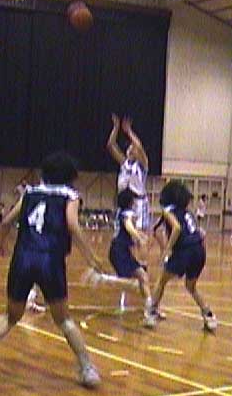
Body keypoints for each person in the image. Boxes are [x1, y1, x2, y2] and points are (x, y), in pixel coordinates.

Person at [0, 152, 103, 388]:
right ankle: (87, 367)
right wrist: (91, 257)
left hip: (22, 257)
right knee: (63, 319)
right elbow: (72, 224)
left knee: (11, 315)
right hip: (50, 259)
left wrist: (0, 244)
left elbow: (6, 221)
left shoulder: (30, 193)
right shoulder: (70, 196)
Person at [83, 189, 161, 328]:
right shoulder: (127, 213)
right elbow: (129, 227)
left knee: (142, 278)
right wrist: (139, 238)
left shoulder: (120, 212)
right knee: (137, 280)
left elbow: (128, 229)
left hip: (120, 250)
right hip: (120, 251)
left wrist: (140, 235)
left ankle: (150, 310)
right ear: (130, 202)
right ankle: (102, 278)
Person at [147, 180, 216, 331]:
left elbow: (177, 228)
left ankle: (151, 313)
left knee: (161, 281)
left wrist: (167, 250)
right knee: (191, 286)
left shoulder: (168, 211)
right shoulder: (187, 213)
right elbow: (198, 233)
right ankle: (208, 314)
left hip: (185, 250)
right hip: (199, 250)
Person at [106, 114, 150, 230]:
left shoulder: (142, 164)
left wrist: (129, 131)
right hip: (124, 203)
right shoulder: (123, 162)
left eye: (133, 148)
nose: (131, 149)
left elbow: (139, 146)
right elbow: (111, 145)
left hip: (138, 202)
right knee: (121, 233)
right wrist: (116, 128)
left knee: (140, 233)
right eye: (129, 148)